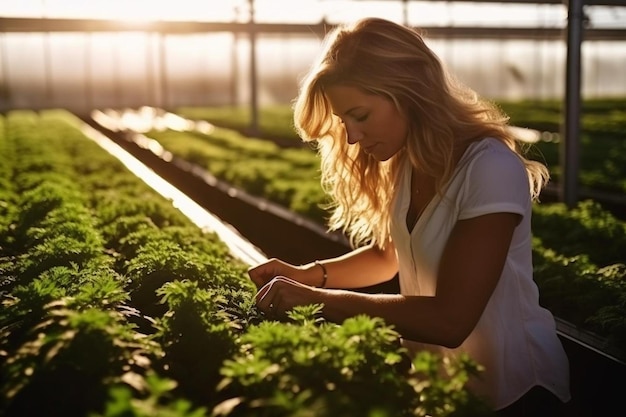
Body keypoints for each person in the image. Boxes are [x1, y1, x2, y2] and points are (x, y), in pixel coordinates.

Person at [247, 17, 571, 416]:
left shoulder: (488, 168)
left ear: (408, 91)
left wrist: (315, 300)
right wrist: (303, 275)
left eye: (360, 115)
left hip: (517, 394)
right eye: (345, 121)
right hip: (444, 392)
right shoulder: (409, 163)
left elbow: (450, 320)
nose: (351, 137)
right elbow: (388, 257)